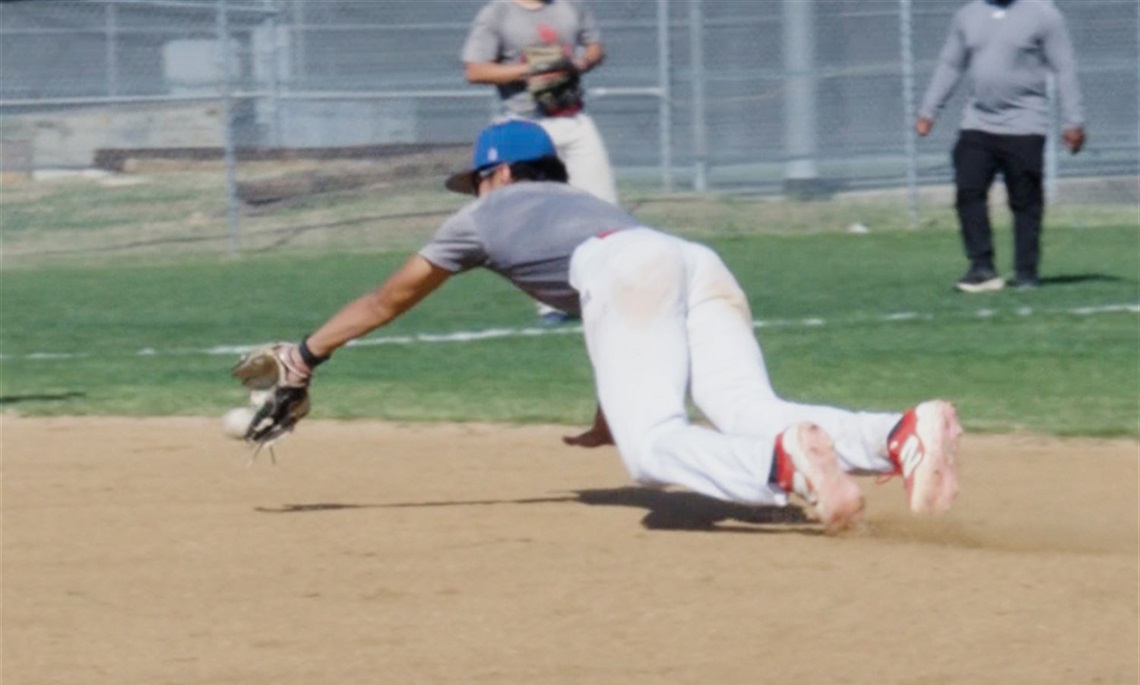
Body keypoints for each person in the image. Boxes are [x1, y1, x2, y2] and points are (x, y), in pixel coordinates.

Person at [263, 121, 963, 534]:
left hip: (631, 268)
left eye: (477, 179)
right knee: (750, 409)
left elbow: (388, 298)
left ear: (500, 173)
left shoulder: (483, 215)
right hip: (693, 261)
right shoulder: (580, 201)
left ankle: (783, 466)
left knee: (652, 453)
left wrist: (307, 353)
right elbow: (624, 316)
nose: (474, 192)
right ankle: (898, 435)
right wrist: (609, 411)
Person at [461, 0, 618, 324]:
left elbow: (595, 48)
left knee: (605, 212)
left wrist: (579, 63)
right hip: (527, 126)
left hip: (573, 119)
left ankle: (609, 293)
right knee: (538, 218)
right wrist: (530, 70)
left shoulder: (569, 7)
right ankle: (552, 304)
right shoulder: (498, 13)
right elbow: (475, 69)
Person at [916, 0, 1085, 293]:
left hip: (1025, 125)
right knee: (968, 191)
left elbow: (1065, 67)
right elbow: (951, 64)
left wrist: (1074, 120)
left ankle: (1026, 273)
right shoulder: (967, 15)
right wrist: (929, 110)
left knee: (1025, 202)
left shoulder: (1044, 15)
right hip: (978, 122)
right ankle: (982, 268)